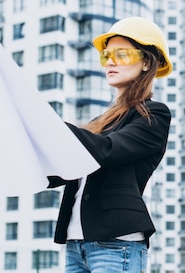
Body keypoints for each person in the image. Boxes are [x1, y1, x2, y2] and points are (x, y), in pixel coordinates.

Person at [47, 17, 173, 273]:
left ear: (147, 61)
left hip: (116, 246)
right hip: (75, 245)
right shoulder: (97, 124)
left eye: (121, 54)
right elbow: (63, 171)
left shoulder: (153, 115)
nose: (111, 62)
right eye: (106, 56)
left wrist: (48, 124)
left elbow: (109, 150)